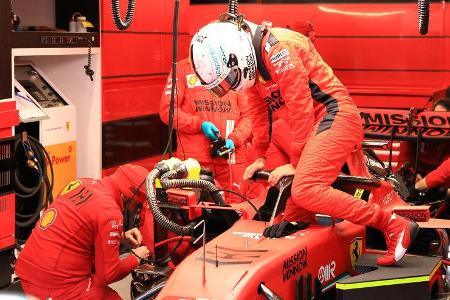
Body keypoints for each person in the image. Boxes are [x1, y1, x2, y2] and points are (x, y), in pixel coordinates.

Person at [189, 18, 418, 266]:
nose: (233, 84)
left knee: (305, 188)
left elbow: (301, 107)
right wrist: (259, 156)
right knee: (288, 190)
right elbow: (259, 111)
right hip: (316, 123)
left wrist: (296, 163)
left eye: (231, 77)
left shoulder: (279, 49)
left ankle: (391, 223)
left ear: (237, 54)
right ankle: (299, 216)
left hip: (335, 116)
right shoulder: (256, 64)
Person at [15, 164, 151, 300]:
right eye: (138, 203)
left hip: (28, 267)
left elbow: (73, 224)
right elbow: (109, 274)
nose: (136, 209)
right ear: (127, 196)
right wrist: (136, 258)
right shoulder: (110, 212)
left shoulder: (80, 182)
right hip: (52, 283)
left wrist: (120, 236)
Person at [160, 58, 252, 203]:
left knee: (235, 213)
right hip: (195, 162)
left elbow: (250, 115)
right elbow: (168, 112)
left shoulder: (237, 68)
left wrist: (235, 138)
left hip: (231, 159)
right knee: (193, 214)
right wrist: (199, 125)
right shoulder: (183, 69)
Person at [397, 98, 450, 178]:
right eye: (433, 115)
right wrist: (412, 175)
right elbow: (404, 160)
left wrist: (428, 181)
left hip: (437, 181)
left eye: (441, 118)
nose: (436, 121)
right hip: (413, 176)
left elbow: (446, 169)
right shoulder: (413, 130)